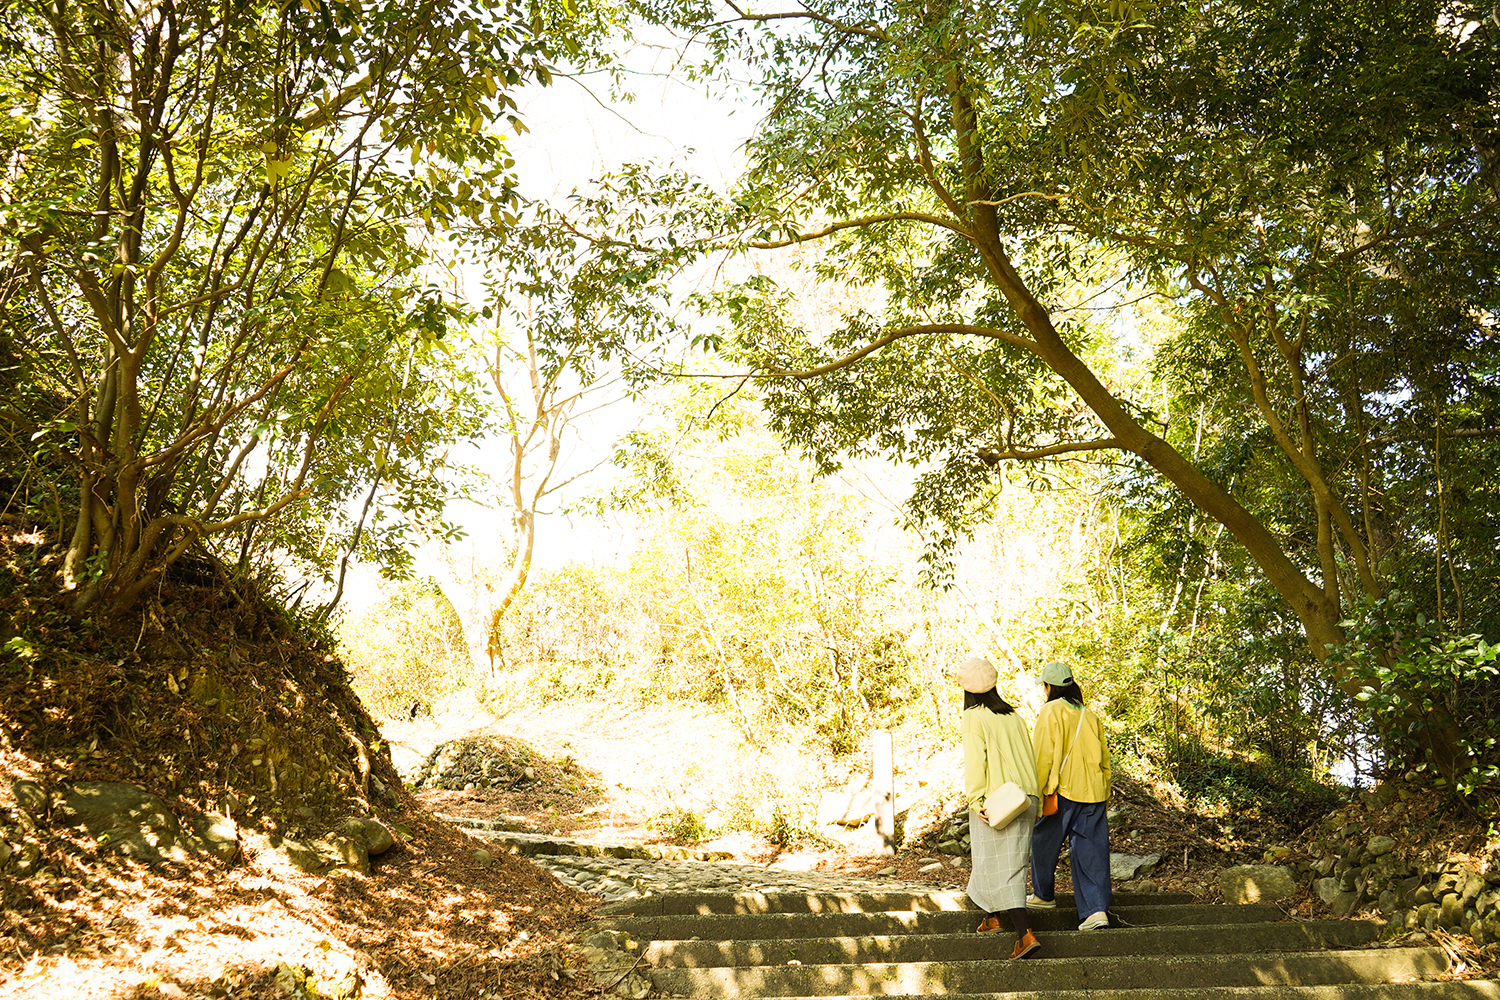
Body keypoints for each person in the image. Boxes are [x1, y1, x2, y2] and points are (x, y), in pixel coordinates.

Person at [958, 655, 1043, 960]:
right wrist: (1038, 800)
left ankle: (1024, 934)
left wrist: (976, 800)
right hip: (1026, 798)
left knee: (1003, 866)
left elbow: (975, 763)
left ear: (965, 688)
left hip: (997, 800)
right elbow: (1030, 759)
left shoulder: (974, 716)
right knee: (1002, 860)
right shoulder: (1013, 716)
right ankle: (992, 915)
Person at [1028, 660, 1113, 931]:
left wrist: (1038, 794)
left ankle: (1043, 895)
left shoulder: (1051, 711)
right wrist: (1105, 791)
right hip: (1095, 792)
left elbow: (1042, 756)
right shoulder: (1090, 715)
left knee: (1042, 842)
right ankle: (1096, 910)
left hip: (1063, 790)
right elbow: (1105, 760)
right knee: (1092, 852)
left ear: (1048, 687)